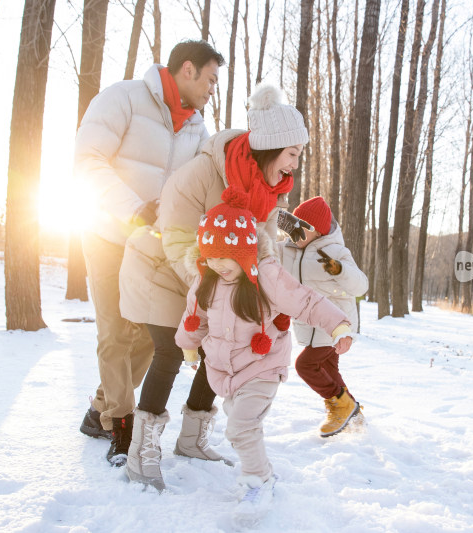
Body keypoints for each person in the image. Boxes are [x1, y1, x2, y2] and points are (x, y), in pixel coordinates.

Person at [118, 83, 310, 490]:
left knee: (220, 346)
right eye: (292, 154)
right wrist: (218, 291)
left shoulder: (262, 189)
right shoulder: (201, 174)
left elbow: (260, 246)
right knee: (171, 351)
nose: (295, 165)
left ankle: (191, 439)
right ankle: (141, 453)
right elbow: (177, 239)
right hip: (159, 266)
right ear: (271, 147)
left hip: (213, 275)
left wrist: (264, 287)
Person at [74, 40, 225, 466]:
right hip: (107, 232)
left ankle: (100, 405)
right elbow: (88, 160)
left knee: (148, 333)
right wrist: (133, 209)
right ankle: (119, 425)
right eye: (211, 79)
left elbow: (206, 183)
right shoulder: (122, 98)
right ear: (188, 70)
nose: (214, 89)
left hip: (154, 244)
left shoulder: (198, 130)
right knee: (115, 333)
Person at [174, 188, 354, 523]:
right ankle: (264, 472)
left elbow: (304, 300)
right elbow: (193, 316)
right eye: (210, 256)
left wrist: (338, 326)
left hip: (263, 366)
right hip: (223, 371)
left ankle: (258, 481)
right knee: (242, 426)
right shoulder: (206, 281)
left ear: (244, 252)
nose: (217, 264)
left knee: (241, 426)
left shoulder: (266, 276)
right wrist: (187, 344)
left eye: (225, 256)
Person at [278, 196, 368, 437]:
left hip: (335, 324)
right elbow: (265, 251)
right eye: (290, 228)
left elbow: (361, 287)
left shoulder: (336, 251)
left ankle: (341, 406)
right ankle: (353, 414)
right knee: (329, 371)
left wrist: (340, 269)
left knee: (305, 365)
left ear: (315, 231)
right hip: (310, 325)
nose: (292, 235)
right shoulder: (288, 250)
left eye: (298, 230)